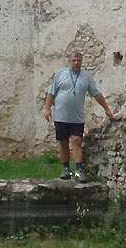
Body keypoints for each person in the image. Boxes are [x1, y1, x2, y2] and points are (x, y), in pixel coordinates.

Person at [44, 50, 114, 182]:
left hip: (76, 117)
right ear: (69, 61)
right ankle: (66, 169)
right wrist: (47, 109)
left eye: (78, 61)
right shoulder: (60, 74)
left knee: (77, 140)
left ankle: (78, 169)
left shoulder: (86, 77)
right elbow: (51, 92)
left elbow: (96, 93)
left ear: (81, 62)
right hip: (61, 115)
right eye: (74, 61)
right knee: (63, 141)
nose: (76, 63)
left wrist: (106, 109)